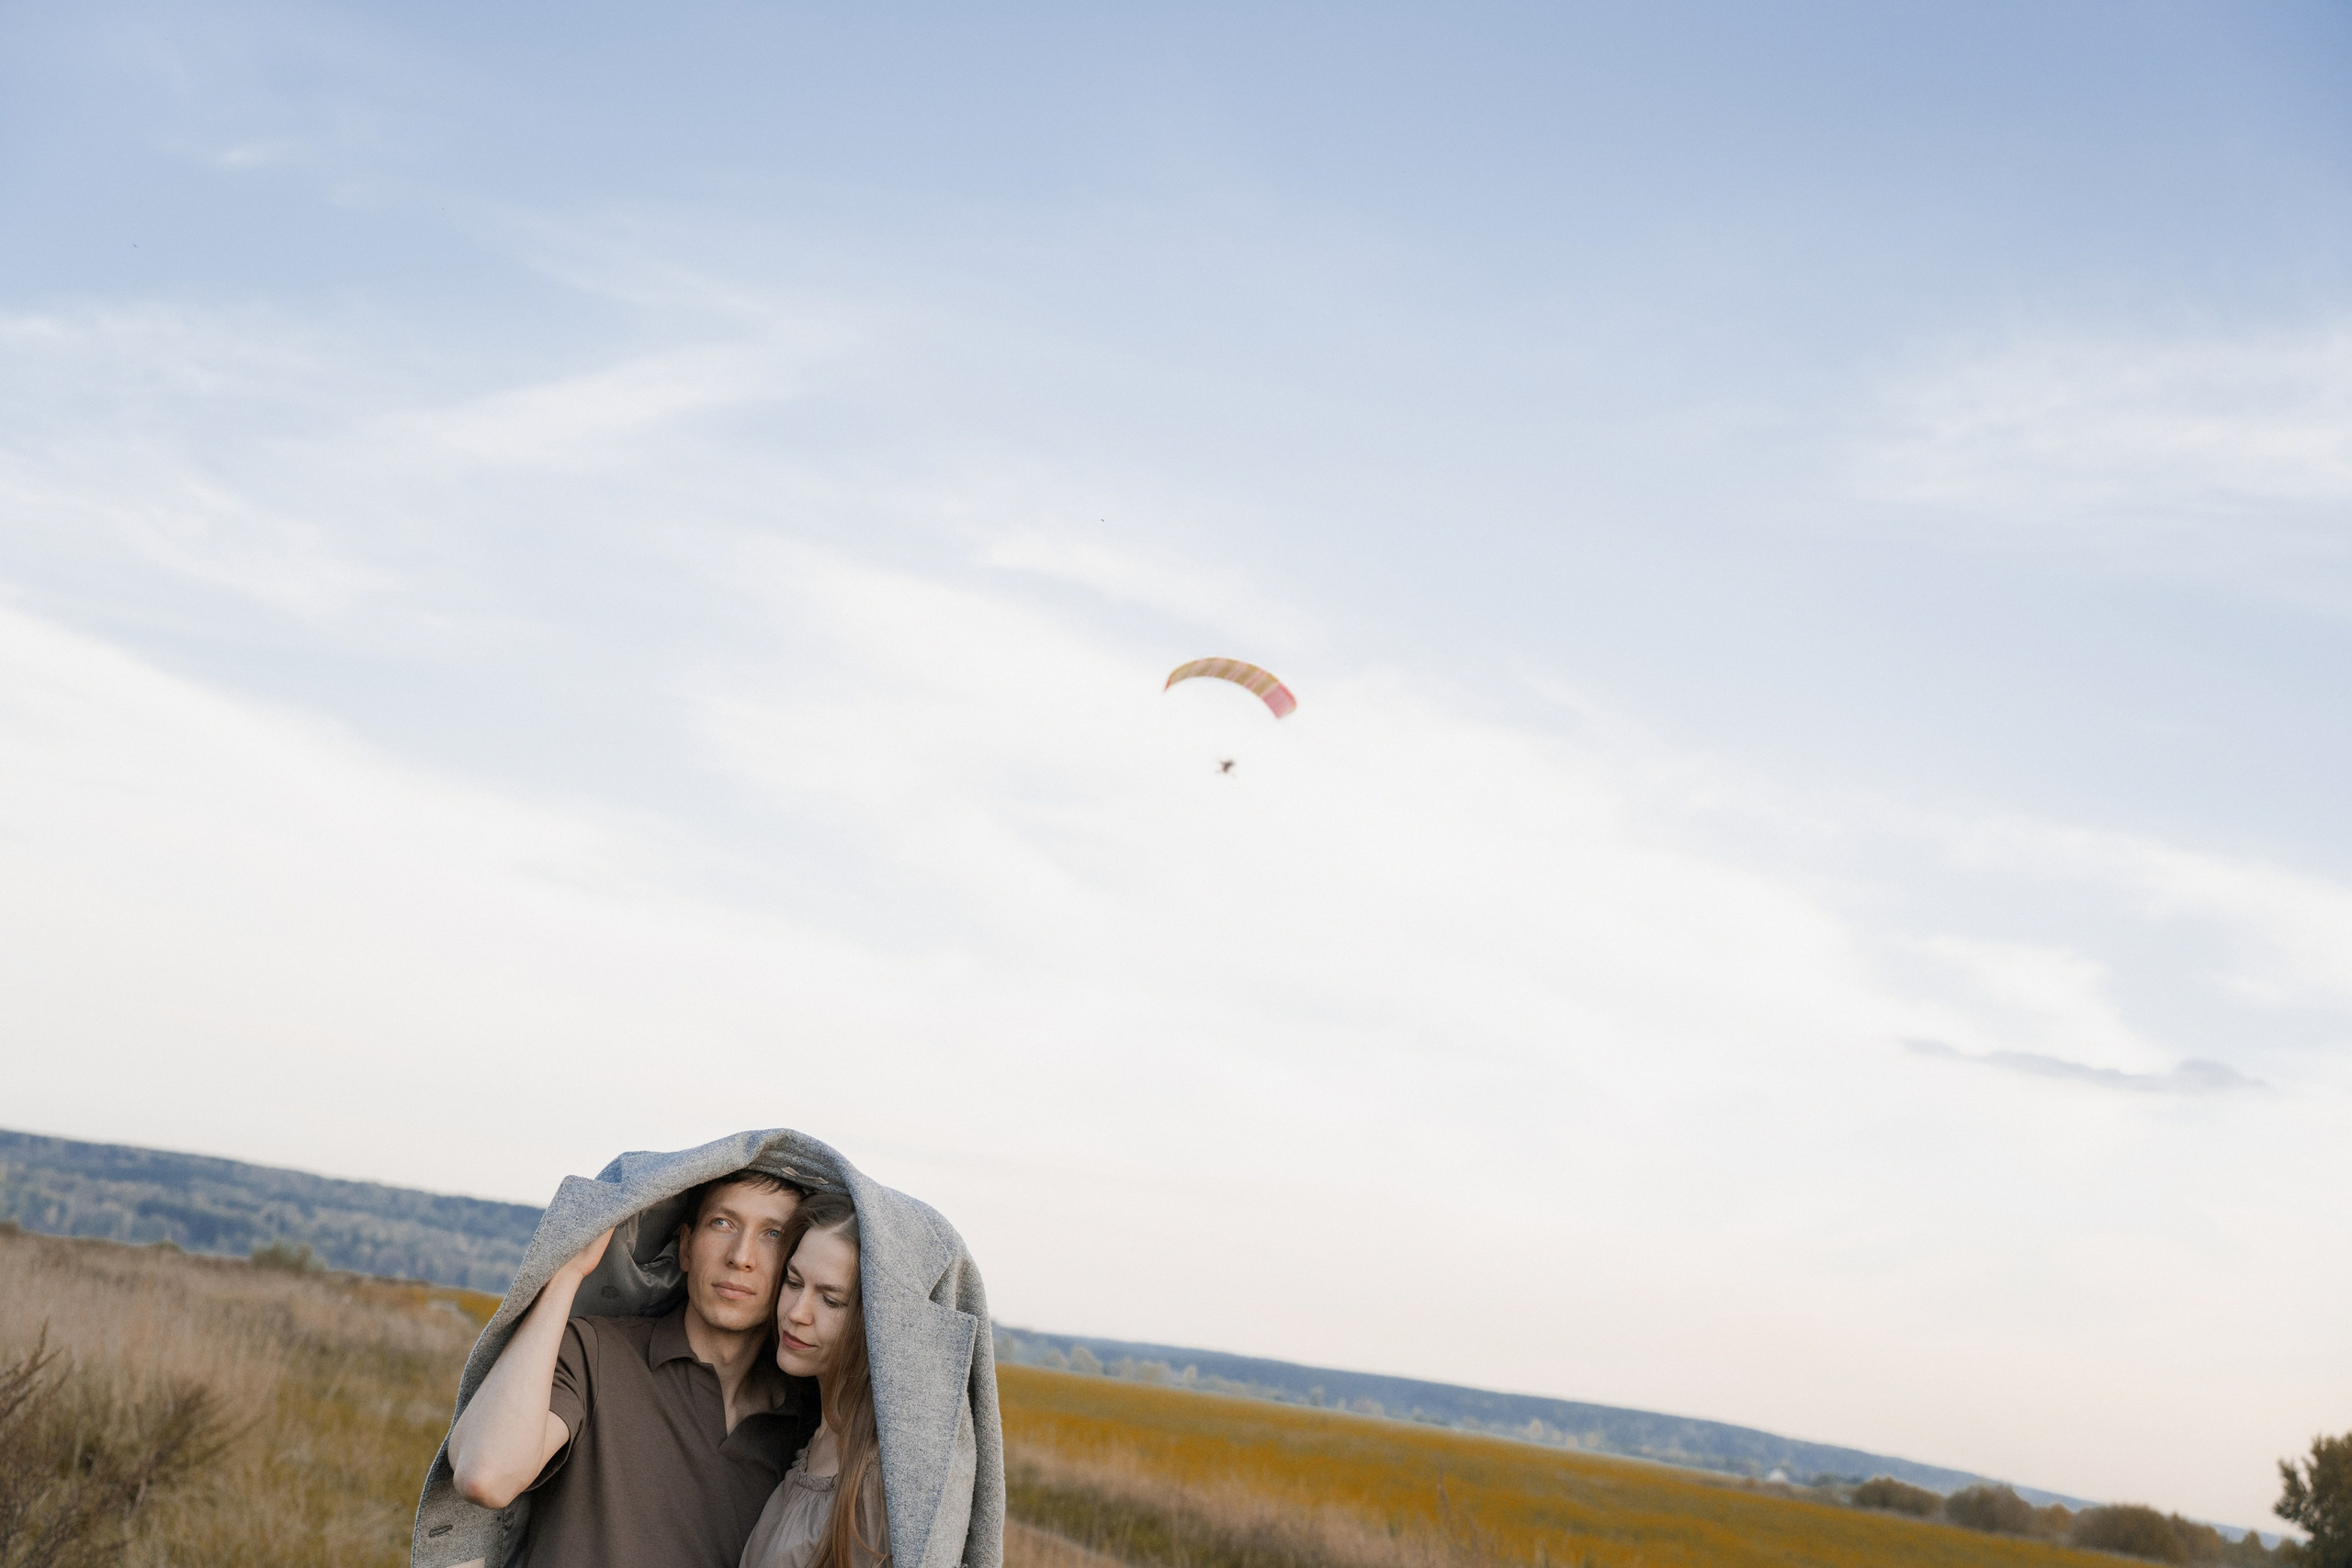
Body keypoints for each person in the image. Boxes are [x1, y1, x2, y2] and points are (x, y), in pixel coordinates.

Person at [447, 1168, 820, 1568]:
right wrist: (566, 1274)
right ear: (686, 1247)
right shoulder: (593, 1351)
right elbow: (485, 1477)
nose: (740, 1257)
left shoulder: (807, 1422)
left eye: (773, 1234)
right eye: (722, 1223)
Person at [741, 1192, 888, 1568]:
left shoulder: (876, 1480)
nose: (796, 1312)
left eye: (831, 1300)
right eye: (793, 1282)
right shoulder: (810, 1437)